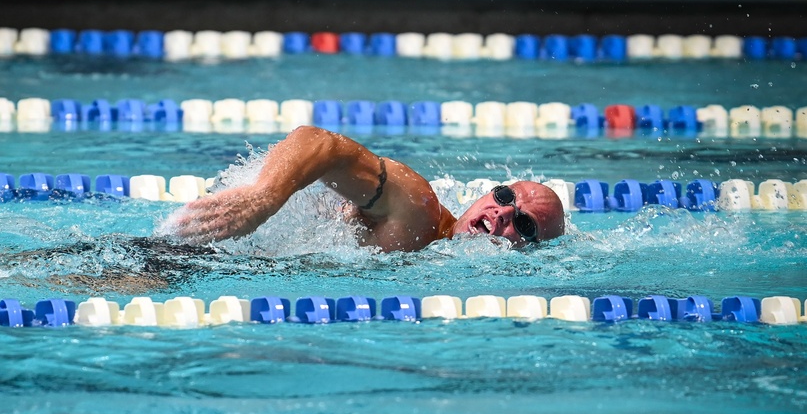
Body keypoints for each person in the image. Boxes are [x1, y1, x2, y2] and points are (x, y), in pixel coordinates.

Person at [172, 125, 566, 252]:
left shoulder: (433, 251)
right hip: (200, 250)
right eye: (504, 196)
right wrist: (264, 197)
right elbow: (321, 143)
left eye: (525, 225)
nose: (503, 212)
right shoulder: (419, 210)